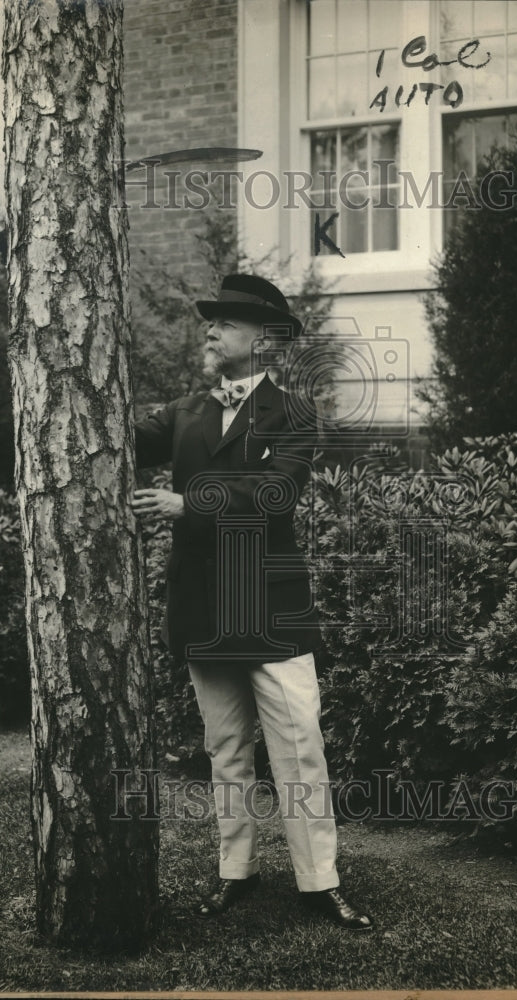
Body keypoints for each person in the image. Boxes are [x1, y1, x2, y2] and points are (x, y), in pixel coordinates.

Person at [132, 273, 373, 931]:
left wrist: (189, 503)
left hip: (270, 606)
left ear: (263, 339)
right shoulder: (183, 412)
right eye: (209, 321)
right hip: (203, 604)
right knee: (226, 748)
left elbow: (276, 496)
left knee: (298, 747)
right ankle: (235, 872)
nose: (210, 330)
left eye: (228, 322)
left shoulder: (294, 413)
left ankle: (318, 883)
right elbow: (111, 441)